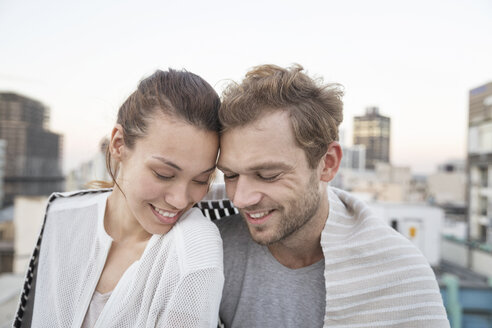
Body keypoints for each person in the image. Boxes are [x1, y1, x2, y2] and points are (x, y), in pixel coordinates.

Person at [215, 64, 450, 327]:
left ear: (327, 164)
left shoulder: (402, 276)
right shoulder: (211, 250)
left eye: (268, 175)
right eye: (231, 175)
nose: (241, 199)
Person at [13, 69, 224, 328]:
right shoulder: (62, 216)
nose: (180, 200)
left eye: (201, 180)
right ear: (118, 144)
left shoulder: (194, 249)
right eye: (164, 174)